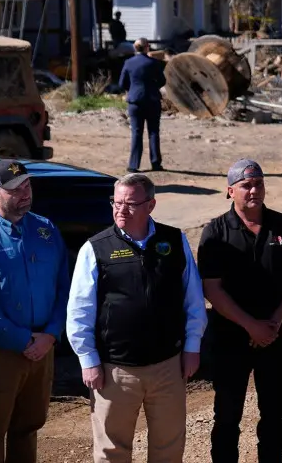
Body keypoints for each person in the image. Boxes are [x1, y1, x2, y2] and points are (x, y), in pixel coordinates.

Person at [66, 173, 207, 463]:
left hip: (168, 366)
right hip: (115, 371)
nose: (120, 210)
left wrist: (192, 346)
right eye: (116, 203)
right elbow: (79, 310)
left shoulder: (174, 241)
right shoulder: (95, 248)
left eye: (129, 204)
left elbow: (192, 299)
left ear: (150, 205)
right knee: (111, 452)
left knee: (169, 449)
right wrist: (88, 360)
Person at [0, 160, 71, 463]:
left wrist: (50, 334)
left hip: (43, 347)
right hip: (0, 352)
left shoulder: (46, 229)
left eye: (27, 186)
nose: (24, 194)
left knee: (28, 427)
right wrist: (23, 341)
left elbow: (64, 286)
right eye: (14, 190)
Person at [198, 160, 282, 463]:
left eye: (259, 183)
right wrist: (251, 326)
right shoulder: (216, 232)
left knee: (274, 416)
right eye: (246, 185)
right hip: (230, 341)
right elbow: (212, 289)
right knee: (227, 418)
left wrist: (273, 323)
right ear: (230, 190)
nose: (254, 190)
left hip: (274, 338)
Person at [118, 38, 166, 172]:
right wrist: (152, 86)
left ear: (135, 48)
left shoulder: (128, 63)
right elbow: (162, 81)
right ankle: (155, 163)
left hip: (135, 100)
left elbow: (122, 83)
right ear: (147, 47)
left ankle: (133, 165)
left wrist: (132, 89)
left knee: (136, 132)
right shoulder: (154, 63)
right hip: (152, 99)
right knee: (153, 131)